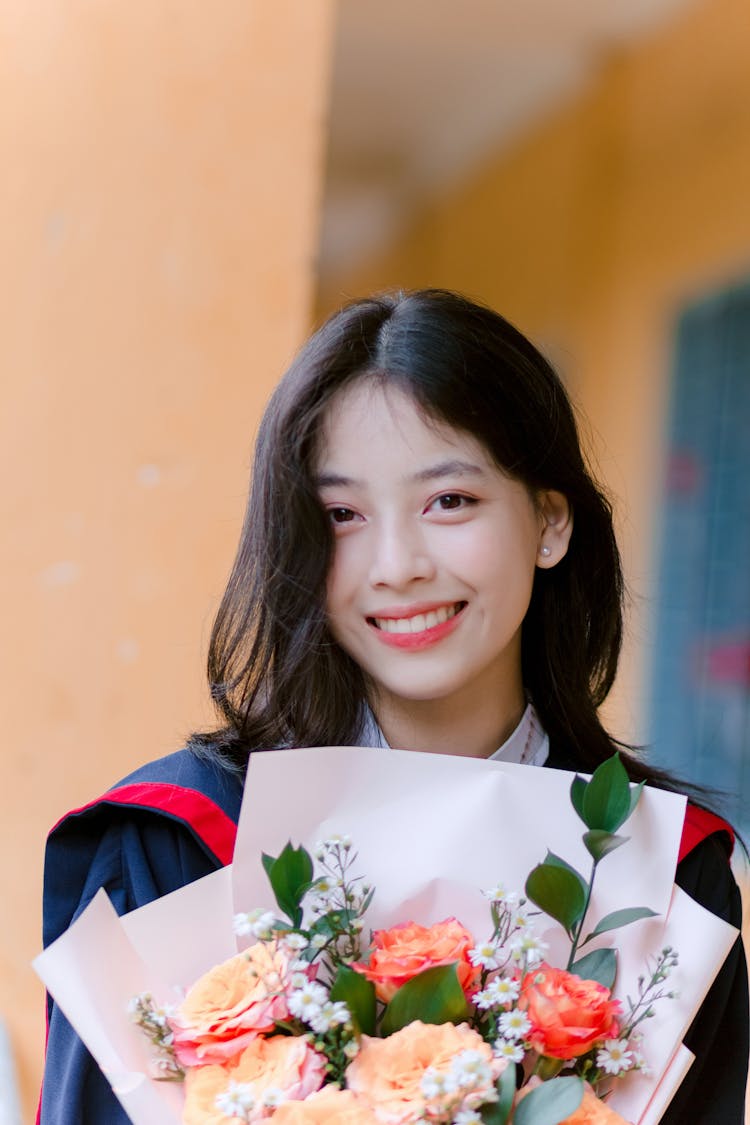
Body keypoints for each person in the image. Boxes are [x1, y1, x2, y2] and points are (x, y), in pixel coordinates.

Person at [40, 289, 748, 1123]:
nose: (397, 564)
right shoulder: (176, 848)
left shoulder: (664, 880)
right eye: (341, 514)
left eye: (450, 500)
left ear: (550, 522)